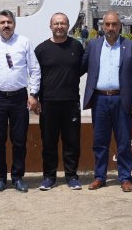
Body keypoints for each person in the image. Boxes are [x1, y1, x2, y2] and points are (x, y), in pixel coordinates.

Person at [0, 9, 41, 193]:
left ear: (14, 24)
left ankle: (18, 177)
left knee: (19, 140)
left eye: (9, 22)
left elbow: (34, 70)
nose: (6, 25)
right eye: (2, 22)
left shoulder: (24, 42)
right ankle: (0, 178)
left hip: (19, 98)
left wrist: (33, 94)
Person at [82, 10, 132, 192]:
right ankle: (100, 177)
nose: (110, 28)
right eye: (107, 24)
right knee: (100, 141)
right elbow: (81, 67)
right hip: (100, 100)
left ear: (120, 26)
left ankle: (125, 178)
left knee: (123, 142)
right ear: (102, 26)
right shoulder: (93, 46)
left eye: (114, 24)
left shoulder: (130, 46)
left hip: (122, 100)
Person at [35, 13, 86, 191]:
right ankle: (49, 177)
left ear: (68, 25)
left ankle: (72, 176)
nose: (59, 26)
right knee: (49, 142)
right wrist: (35, 97)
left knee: (72, 141)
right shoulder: (41, 49)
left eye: (62, 23)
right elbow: (35, 75)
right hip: (48, 102)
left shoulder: (76, 46)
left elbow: (81, 68)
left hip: (71, 102)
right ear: (50, 26)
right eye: (56, 23)